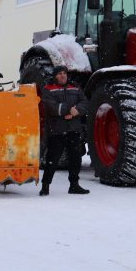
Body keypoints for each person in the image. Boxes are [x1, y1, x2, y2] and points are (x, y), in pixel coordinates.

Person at [39, 65, 89, 196]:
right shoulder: (48, 89)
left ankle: (74, 185)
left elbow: (84, 102)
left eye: (64, 73)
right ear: (55, 76)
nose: (63, 75)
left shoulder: (75, 87)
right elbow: (51, 107)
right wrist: (69, 109)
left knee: (75, 159)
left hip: (73, 129)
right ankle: (45, 186)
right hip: (57, 130)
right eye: (60, 73)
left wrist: (76, 111)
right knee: (52, 160)